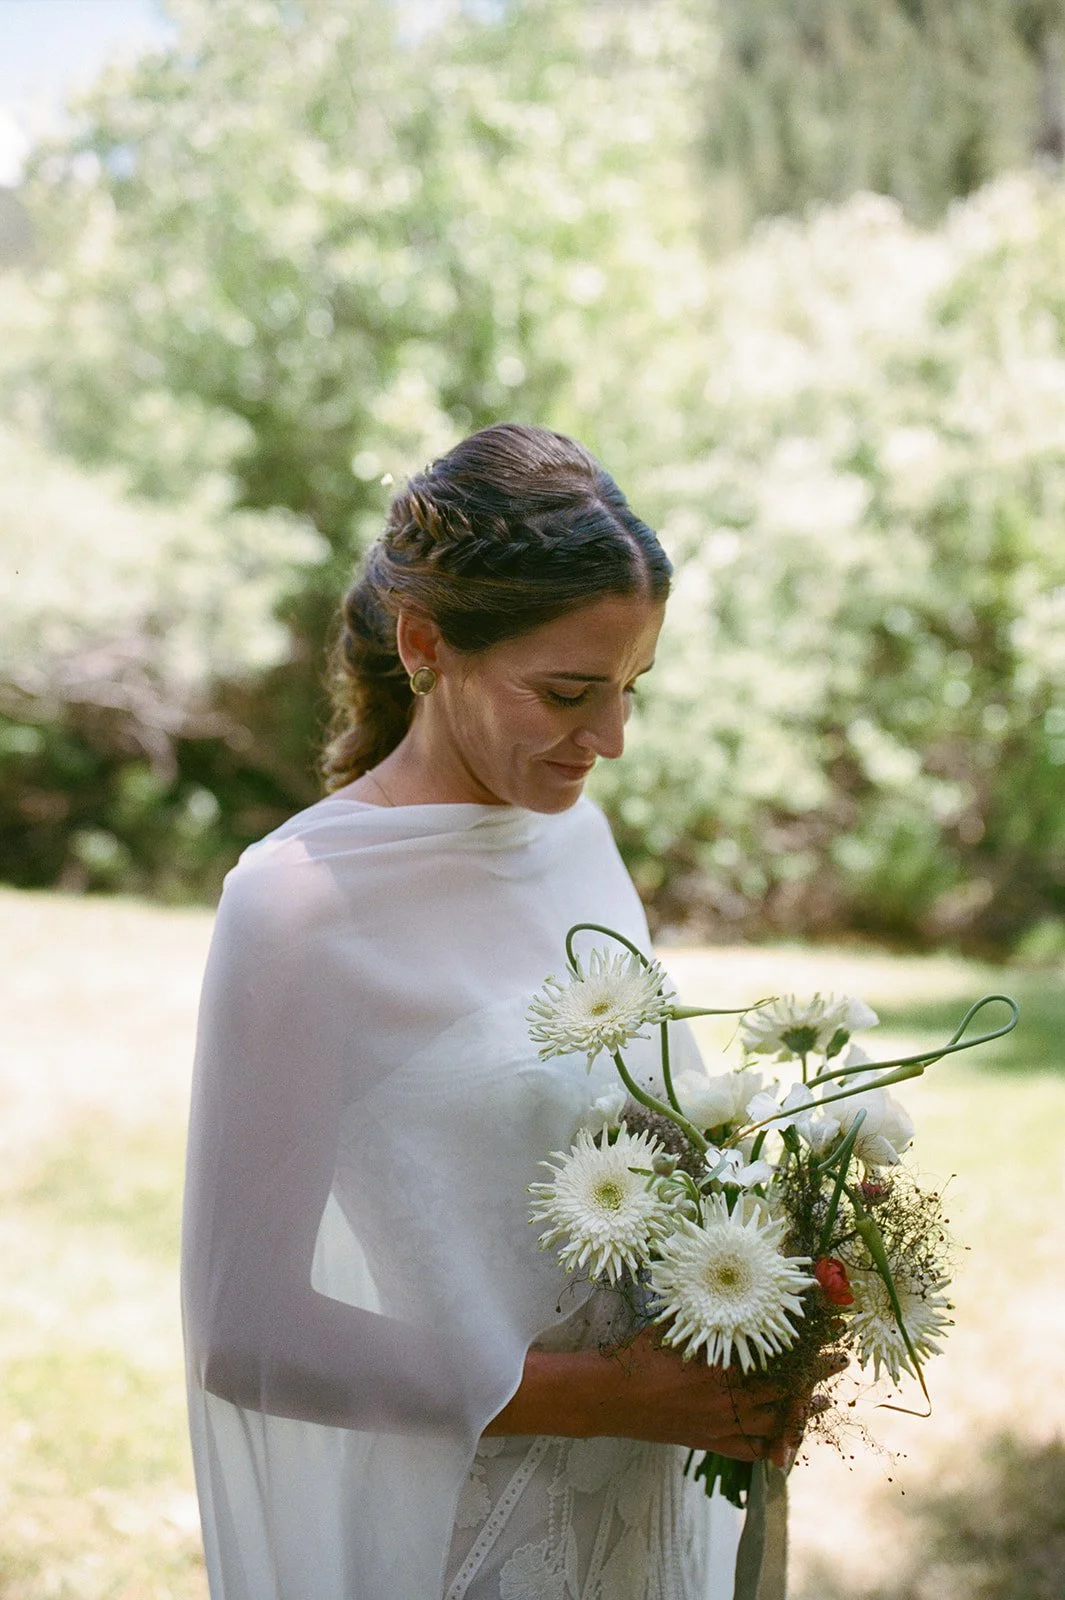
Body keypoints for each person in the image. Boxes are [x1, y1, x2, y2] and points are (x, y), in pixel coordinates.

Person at [181, 424, 800, 1600]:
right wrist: (619, 1393)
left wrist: (788, 1262)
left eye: (629, 690)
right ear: (425, 644)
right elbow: (245, 1330)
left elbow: (667, 1125)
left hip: (659, 1495)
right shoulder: (300, 905)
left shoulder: (576, 834)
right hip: (486, 1527)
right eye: (568, 692)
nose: (610, 741)